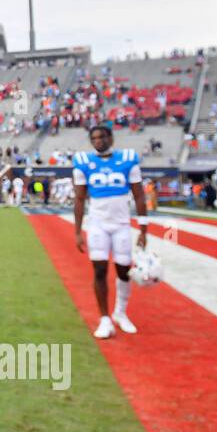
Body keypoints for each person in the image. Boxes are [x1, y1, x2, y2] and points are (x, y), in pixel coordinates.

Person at [73, 124, 148, 339]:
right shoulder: (83, 162)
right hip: (98, 223)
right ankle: (105, 318)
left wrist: (144, 229)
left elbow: (140, 195)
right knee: (99, 270)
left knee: (124, 270)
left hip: (122, 223)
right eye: (94, 138)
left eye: (102, 137)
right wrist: (77, 231)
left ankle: (120, 313)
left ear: (111, 138)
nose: (98, 141)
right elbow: (79, 199)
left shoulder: (127, 159)